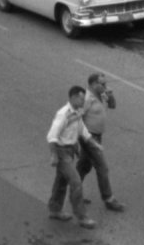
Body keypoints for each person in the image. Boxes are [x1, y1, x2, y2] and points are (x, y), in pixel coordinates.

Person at [45, 85, 99, 228]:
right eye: (82, 98)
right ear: (74, 97)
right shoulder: (63, 114)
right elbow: (51, 136)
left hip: (70, 151)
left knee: (61, 181)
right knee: (76, 182)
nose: (84, 101)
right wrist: (54, 156)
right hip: (62, 153)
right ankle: (82, 217)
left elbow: (81, 128)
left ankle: (55, 210)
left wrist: (92, 142)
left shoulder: (76, 112)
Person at [75, 72, 124, 212]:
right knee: (102, 168)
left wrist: (110, 95)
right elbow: (77, 119)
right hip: (90, 137)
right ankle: (109, 199)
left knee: (84, 166)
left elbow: (113, 105)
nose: (105, 86)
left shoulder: (101, 94)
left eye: (105, 83)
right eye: (102, 84)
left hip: (97, 136)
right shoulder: (86, 98)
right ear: (93, 84)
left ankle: (74, 193)